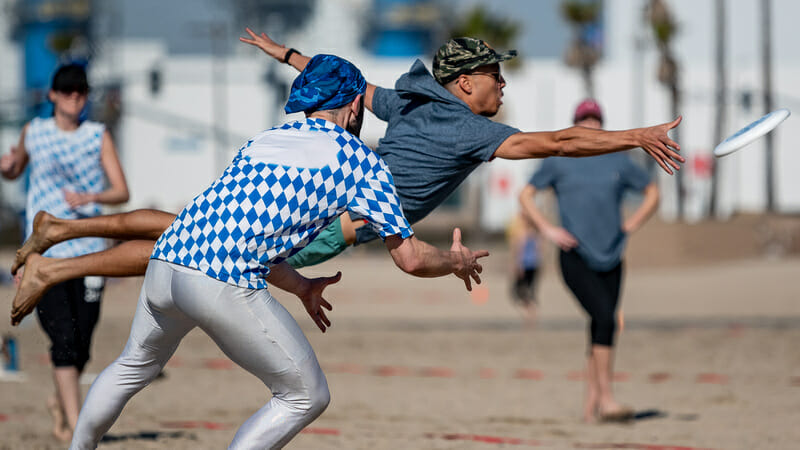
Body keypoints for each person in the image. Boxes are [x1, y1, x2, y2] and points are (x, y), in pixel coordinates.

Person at [9, 30, 684, 316]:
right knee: (187, 247)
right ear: (468, 82)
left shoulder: (412, 100)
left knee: (186, 225)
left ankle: (63, 226)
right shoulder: (477, 130)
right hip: (333, 222)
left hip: (318, 195)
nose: (504, 85)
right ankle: (57, 264)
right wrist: (636, 136)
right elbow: (562, 144)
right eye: (496, 76)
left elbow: (345, 82)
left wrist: (287, 53)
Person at [66, 54, 487, 449]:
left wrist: (301, 286)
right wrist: (456, 261)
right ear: (356, 104)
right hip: (220, 280)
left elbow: (247, 233)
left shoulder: (265, 140)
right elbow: (409, 257)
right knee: (306, 396)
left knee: (131, 367)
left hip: (167, 260)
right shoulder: (360, 161)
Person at [0, 63, 130, 442]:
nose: (75, 97)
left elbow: (121, 191)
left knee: (83, 342)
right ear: (53, 95)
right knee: (63, 339)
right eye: (68, 91)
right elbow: (14, 169)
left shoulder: (97, 135)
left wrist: (93, 196)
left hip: (89, 250)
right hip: (45, 255)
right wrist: (7, 167)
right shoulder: (35, 132)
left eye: (81, 92)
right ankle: (77, 429)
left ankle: (61, 404)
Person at [518, 99, 660, 423]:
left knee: (601, 324)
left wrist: (632, 224)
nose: (591, 125)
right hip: (575, 256)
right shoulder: (560, 159)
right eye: (585, 120)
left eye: (596, 119)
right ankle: (608, 399)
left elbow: (652, 192)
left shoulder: (619, 160)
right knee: (606, 319)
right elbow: (525, 196)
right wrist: (549, 229)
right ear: (575, 124)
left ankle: (591, 404)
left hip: (613, 255)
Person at [507, 212, 540, 321]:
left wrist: (517, 265)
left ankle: (528, 312)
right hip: (534, 264)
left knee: (518, 291)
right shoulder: (534, 233)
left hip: (525, 264)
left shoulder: (522, 233)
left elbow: (519, 251)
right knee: (530, 289)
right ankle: (531, 312)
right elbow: (538, 250)